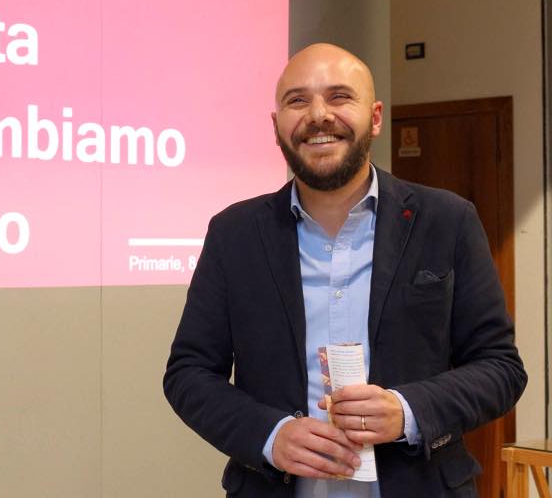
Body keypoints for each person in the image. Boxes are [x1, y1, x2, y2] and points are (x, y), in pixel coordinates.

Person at [163, 43, 526, 497]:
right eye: (297, 100)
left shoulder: (447, 221)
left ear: (374, 117)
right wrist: (271, 435)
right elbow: (189, 373)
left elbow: (500, 368)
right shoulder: (234, 234)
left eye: (339, 97)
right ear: (276, 126)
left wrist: (407, 410)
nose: (318, 115)